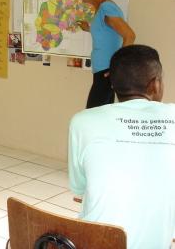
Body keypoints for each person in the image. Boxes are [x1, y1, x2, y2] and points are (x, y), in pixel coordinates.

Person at [68, 45, 175, 249]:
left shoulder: (83, 122)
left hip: (96, 242)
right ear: (155, 84)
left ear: (112, 83)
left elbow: (79, 188)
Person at [76, 0, 135, 108]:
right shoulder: (102, 7)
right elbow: (107, 32)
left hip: (106, 73)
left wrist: (117, 67)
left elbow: (130, 35)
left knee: (91, 118)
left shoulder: (106, 8)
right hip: (102, 73)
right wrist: (89, 28)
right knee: (99, 118)